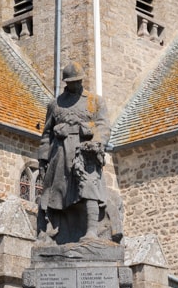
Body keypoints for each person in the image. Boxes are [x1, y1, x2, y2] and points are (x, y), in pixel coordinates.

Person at [35, 62, 117, 244]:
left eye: (79, 81)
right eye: (73, 82)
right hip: (61, 153)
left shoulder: (95, 101)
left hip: (85, 153)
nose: (77, 85)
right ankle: (59, 232)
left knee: (89, 190)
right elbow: (46, 134)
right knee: (59, 193)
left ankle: (92, 232)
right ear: (66, 83)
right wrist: (43, 159)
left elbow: (103, 126)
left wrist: (96, 143)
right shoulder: (55, 105)